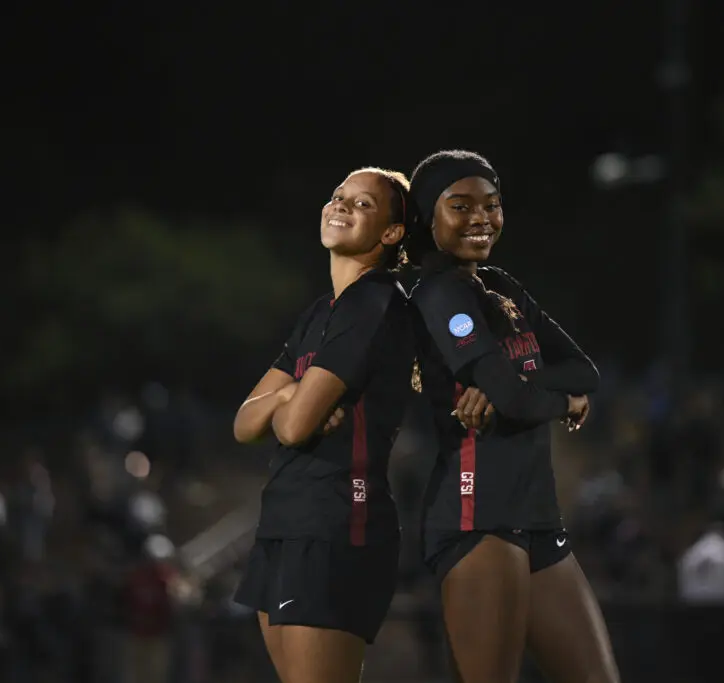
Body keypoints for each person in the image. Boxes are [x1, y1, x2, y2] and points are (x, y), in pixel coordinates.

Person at [405, 150, 620, 683]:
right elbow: (519, 402)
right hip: (479, 517)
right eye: (460, 206)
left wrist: (519, 382)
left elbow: (584, 370)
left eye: (492, 204)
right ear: (428, 218)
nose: (481, 217)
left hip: (538, 515)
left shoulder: (501, 286)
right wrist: (563, 402)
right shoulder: (438, 294)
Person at [232, 167, 414, 683]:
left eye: (362, 204)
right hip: (285, 522)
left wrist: (287, 404)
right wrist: (288, 394)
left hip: (337, 523)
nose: (341, 206)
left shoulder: (375, 301)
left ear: (391, 232)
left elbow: (291, 429)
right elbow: (244, 422)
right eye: (338, 196)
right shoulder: (320, 312)